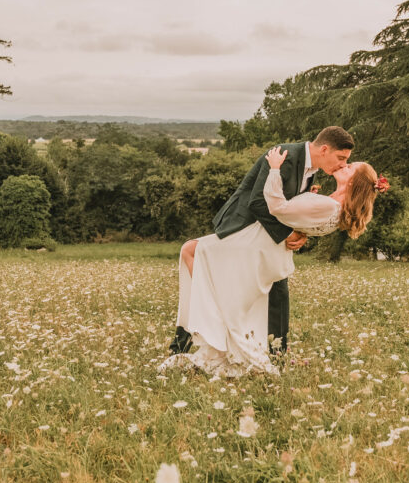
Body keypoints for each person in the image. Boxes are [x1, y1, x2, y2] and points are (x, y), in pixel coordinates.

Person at [160, 145, 378, 376]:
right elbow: (300, 218)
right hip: (272, 251)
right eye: (344, 159)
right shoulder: (335, 205)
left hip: (258, 245)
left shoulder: (329, 204)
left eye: (350, 165)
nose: (345, 164)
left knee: (192, 252)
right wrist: (299, 228)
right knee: (219, 282)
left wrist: (274, 170)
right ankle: (216, 321)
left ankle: (214, 318)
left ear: (354, 182)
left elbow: (276, 207)